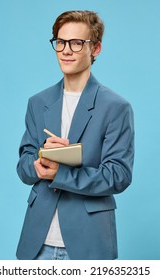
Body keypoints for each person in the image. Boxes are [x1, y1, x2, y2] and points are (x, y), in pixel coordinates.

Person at [16, 10, 134, 260]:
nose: (66, 50)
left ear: (96, 49)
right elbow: (23, 165)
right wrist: (38, 163)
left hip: (88, 242)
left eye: (77, 43)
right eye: (60, 42)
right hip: (37, 242)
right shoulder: (37, 102)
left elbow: (118, 175)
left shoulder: (116, 107)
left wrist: (61, 173)